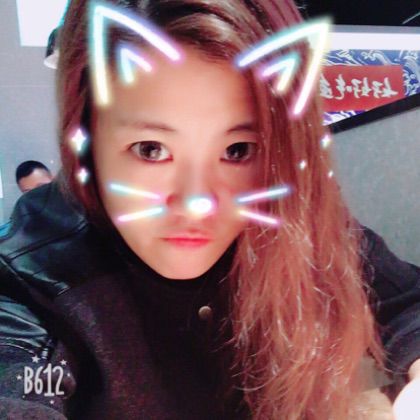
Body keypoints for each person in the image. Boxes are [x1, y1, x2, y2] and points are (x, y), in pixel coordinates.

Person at [0, 0, 419, 418]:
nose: (198, 203)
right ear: (87, 143)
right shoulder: (32, 275)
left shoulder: (292, 217)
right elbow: (17, 376)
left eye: (238, 150)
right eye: (150, 149)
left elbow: (405, 303)